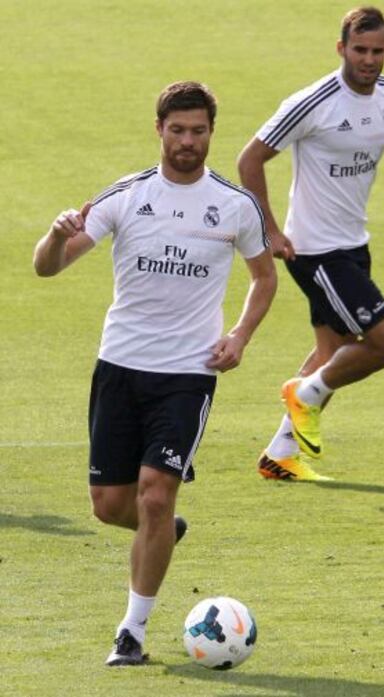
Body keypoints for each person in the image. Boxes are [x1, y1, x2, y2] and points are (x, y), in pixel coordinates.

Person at [33, 81, 276, 665]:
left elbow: (264, 278)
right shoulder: (127, 196)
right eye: (177, 130)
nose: (187, 142)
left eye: (198, 131)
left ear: (210, 134)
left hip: (187, 375)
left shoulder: (234, 205)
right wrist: (54, 235)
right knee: (110, 505)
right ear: (159, 130)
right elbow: (48, 268)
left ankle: (131, 634)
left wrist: (239, 336)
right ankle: (162, 531)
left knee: (155, 494)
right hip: (119, 365)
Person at [238, 7, 384, 482]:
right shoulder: (313, 102)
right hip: (314, 251)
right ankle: (305, 394)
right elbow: (250, 160)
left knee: (331, 351)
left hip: (354, 243)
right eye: (360, 50)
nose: (369, 60)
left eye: (377, 51)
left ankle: (280, 455)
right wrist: (270, 231)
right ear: (341, 49)